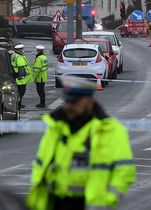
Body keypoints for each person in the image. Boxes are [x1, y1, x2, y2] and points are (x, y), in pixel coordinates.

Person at [27, 76, 137, 210]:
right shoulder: (56, 126)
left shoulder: (110, 130)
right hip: (55, 203)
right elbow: (40, 165)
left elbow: (125, 170)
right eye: (67, 101)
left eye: (74, 102)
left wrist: (106, 201)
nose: (68, 106)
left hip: (91, 205)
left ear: (89, 102)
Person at [12, 44, 33, 109]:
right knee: (21, 92)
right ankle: (18, 104)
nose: (22, 50)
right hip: (21, 79)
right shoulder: (19, 57)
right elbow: (21, 67)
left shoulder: (14, 55)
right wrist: (21, 77)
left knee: (18, 91)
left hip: (16, 76)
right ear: (19, 50)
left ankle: (18, 104)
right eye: (21, 49)